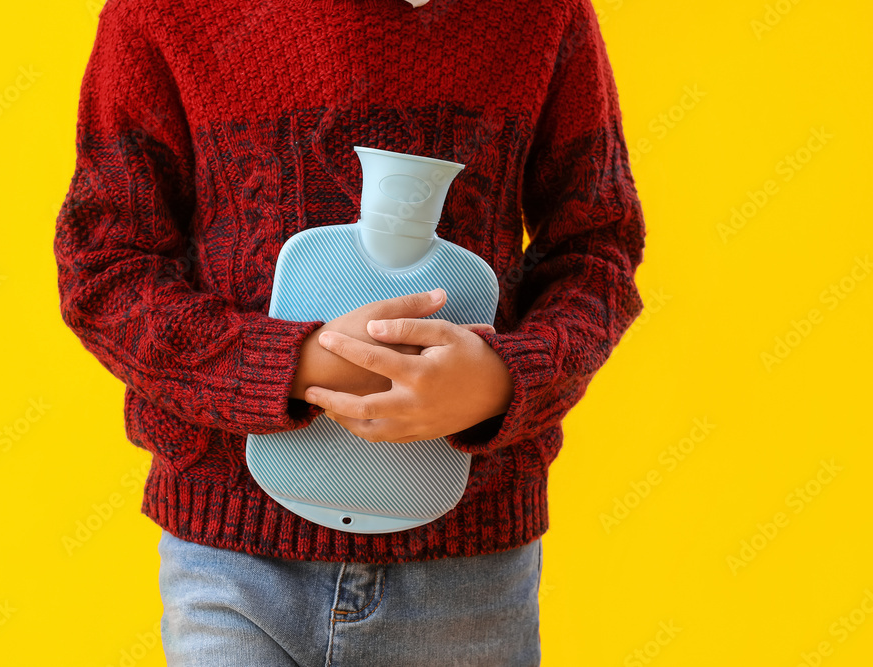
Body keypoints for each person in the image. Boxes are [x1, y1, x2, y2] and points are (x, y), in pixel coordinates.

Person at [53, 0, 646, 664]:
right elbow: (106, 267)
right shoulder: (161, 11)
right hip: (232, 557)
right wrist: (293, 364)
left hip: (469, 567)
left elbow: (597, 247)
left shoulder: (543, 13)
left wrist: (504, 381)